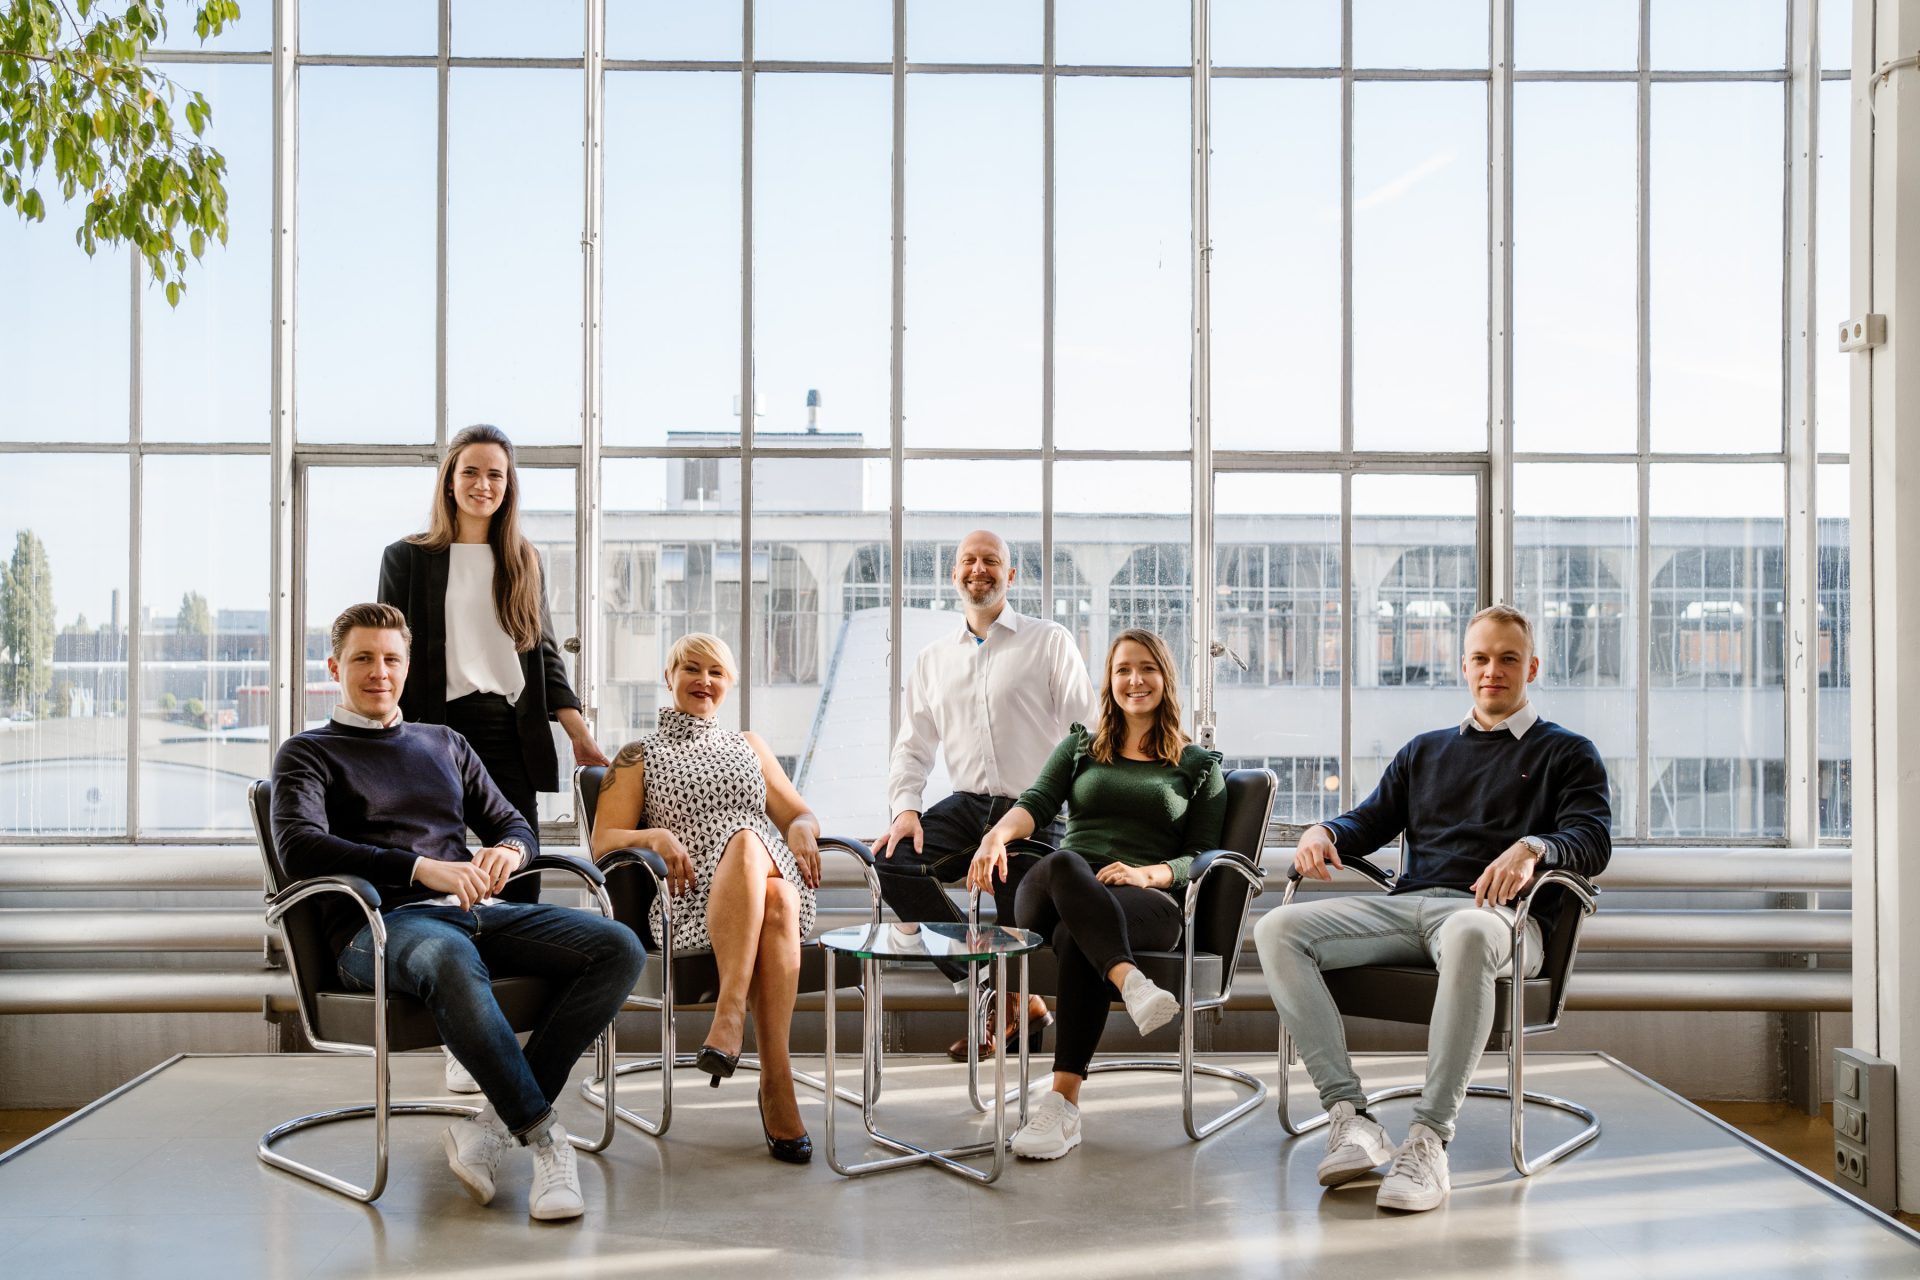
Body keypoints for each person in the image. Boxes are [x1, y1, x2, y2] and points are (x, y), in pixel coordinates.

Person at [271, 603, 645, 1221]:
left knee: (618, 946)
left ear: (408, 668)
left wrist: (509, 849)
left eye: (391, 658)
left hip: (470, 911)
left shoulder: (443, 743)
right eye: (363, 658)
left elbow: (513, 822)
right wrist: (419, 869)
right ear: (335, 666)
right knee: (451, 953)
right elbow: (300, 846)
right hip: (378, 928)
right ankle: (547, 1141)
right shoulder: (308, 753)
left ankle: (492, 1128)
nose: (378, 672)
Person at [1252, 604, 1611, 1213]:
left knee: (1470, 930)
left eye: (1508, 659)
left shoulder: (1568, 753)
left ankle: (1427, 1141)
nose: (1492, 670)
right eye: (1480, 658)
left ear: (1533, 667)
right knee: (1278, 927)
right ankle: (1350, 1116)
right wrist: (1324, 831)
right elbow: (1367, 819)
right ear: (1463, 666)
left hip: (1501, 921)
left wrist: (1534, 847)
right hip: (1411, 906)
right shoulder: (1426, 751)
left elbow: (1593, 840)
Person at [379, 423, 609, 1093]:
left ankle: (502, 1032)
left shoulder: (523, 559)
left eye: (497, 475)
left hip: (510, 730)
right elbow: (393, 646)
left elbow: (541, 653)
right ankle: (460, 1033)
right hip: (434, 730)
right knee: (447, 879)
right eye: (471, 472)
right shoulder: (408, 557)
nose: (483, 484)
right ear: (450, 479)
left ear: (508, 488)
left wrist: (576, 730)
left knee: (519, 879)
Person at [967, 627, 1226, 1161]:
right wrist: (995, 835)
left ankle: (1062, 1106)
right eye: (1123, 669)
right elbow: (1036, 803)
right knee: (1063, 861)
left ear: (1165, 678)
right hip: (1053, 887)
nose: (1136, 680)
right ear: (1109, 681)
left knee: (1077, 935)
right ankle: (1131, 981)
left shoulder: (1199, 766)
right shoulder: (1081, 746)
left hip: (1143, 901)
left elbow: (1199, 855)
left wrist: (1147, 874)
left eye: (1147, 668)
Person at [589, 632, 823, 1164]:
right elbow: (603, 842)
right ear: (668, 678)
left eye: (716, 672)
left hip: (764, 867)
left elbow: (797, 812)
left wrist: (805, 827)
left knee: (753, 850)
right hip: (692, 900)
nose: (704, 680)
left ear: (729, 684)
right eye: (691, 669)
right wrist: (654, 836)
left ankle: (729, 1018)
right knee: (778, 898)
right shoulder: (637, 754)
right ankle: (776, 1088)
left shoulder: (750, 744)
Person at [873, 529, 1096, 1060]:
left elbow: (1085, 735)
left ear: (1010, 575)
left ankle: (1016, 1004)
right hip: (967, 804)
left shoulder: (1049, 641)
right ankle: (993, 988)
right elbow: (912, 745)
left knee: (1016, 907)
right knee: (895, 862)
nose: (979, 570)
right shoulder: (932, 659)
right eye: (968, 561)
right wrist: (905, 808)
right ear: (954, 575)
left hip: (1032, 808)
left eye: (991, 561)